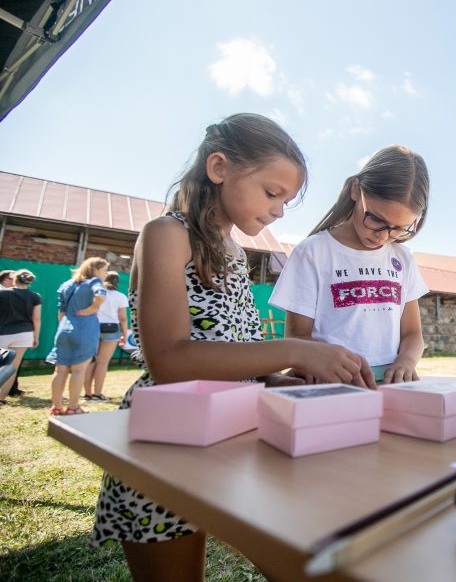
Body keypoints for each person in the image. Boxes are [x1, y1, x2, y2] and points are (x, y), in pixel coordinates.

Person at [91, 113, 374, 581]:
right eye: (272, 192)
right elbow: (170, 361)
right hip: (169, 441)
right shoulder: (166, 235)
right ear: (219, 168)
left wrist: (278, 378)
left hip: (236, 432)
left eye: (285, 199)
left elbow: (234, 348)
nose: (280, 211)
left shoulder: (235, 253)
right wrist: (295, 351)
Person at [270, 145, 430, 384]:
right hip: (331, 385)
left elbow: (412, 334)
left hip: (389, 387)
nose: (383, 236)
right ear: (356, 190)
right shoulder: (313, 252)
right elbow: (297, 335)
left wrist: (406, 362)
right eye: (376, 219)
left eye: (398, 229)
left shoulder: (403, 259)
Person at [49, 257, 108, 415]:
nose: (105, 274)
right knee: (78, 371)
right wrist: (92, 308)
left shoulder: (67, 284)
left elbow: (61, 312)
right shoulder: (94, 282)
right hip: (85, 329)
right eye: (104, 270)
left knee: (60, 370)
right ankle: (73, 407)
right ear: (95, 269)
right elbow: (101, 295)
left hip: (64, 329)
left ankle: (56, 407)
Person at [83, 271, 129, 401]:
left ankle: (87, 394)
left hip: (93, 326)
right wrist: (124, 334)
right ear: (117, 282)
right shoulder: (120, 296)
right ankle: (98, 394)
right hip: (111, 329)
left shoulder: (95, 294)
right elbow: (123, 318)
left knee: (90, 361)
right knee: (102, 363)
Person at [0, 269, 41, 403]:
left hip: (3, 333)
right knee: (12, 367)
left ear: (14, 279)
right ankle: (1, 398)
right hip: (24, 334)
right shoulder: (35, 296)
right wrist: (36, 336)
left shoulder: (2, 293)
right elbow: (36, 318)